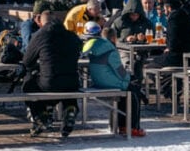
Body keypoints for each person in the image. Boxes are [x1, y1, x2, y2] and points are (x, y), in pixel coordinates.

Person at [21, 9, 82, 137]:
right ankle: (70, 108)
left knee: (28, 85)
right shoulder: (71, 35)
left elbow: (27, 61)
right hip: (72, 83)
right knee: (67, 82)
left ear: (40, 22)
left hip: (50, 82)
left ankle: (41, 115)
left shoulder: (40, 35)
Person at [82, 23, 146, 137]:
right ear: (113, 38)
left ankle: (122, 126)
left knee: (126, 93)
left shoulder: (95, 46)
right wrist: (128, 79)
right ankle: (133, 127)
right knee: (134, 92)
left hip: (98, 81)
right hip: (110, 82)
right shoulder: (110, 50)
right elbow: (120, 72)